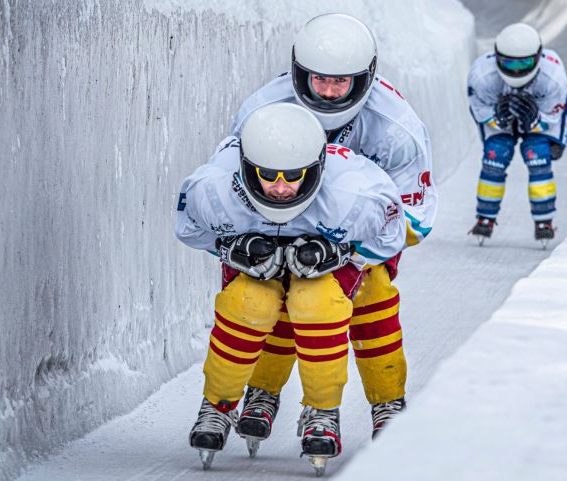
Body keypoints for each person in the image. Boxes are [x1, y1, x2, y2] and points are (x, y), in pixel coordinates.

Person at [228, 13, 436, 443]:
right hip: (279, 222)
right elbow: (234, 187)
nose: (326, 92)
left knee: (369, 293)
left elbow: (415, 219)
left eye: (340, 83)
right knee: (276, 286)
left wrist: (349, 253)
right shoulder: (262, 111)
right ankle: (262, 391)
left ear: (366, 79)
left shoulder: (396, 129)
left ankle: (387, 400)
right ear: (298, 72)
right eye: (318, 79)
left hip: (363, 234)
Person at [174, 103, 405, 473]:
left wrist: (343, 253)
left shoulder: (356, 195)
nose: (281, 188)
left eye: (293, 176)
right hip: (260, 255)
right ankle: (217, 404)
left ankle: (324, 408)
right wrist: (230, 248)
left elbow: (392, 235)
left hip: (335, 253)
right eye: (267, 175)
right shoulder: (213, 188)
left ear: (316, 169)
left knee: (319, 302)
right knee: (248, 302)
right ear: (246, 168)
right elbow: (188, 227)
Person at [466, 23, 567, 246]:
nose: (515, 71)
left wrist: (536, 121)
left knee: (538, 155)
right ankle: (485, 216)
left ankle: (544, 221)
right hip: (498, 115)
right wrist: (498, 118)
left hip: (541, 115)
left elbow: (555, 115)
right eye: (508, 63)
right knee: (495, 156)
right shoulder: (481, 77)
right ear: (496, 57)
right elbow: (479, 111)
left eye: (523, 63)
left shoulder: (553, 78)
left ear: (537, 57)